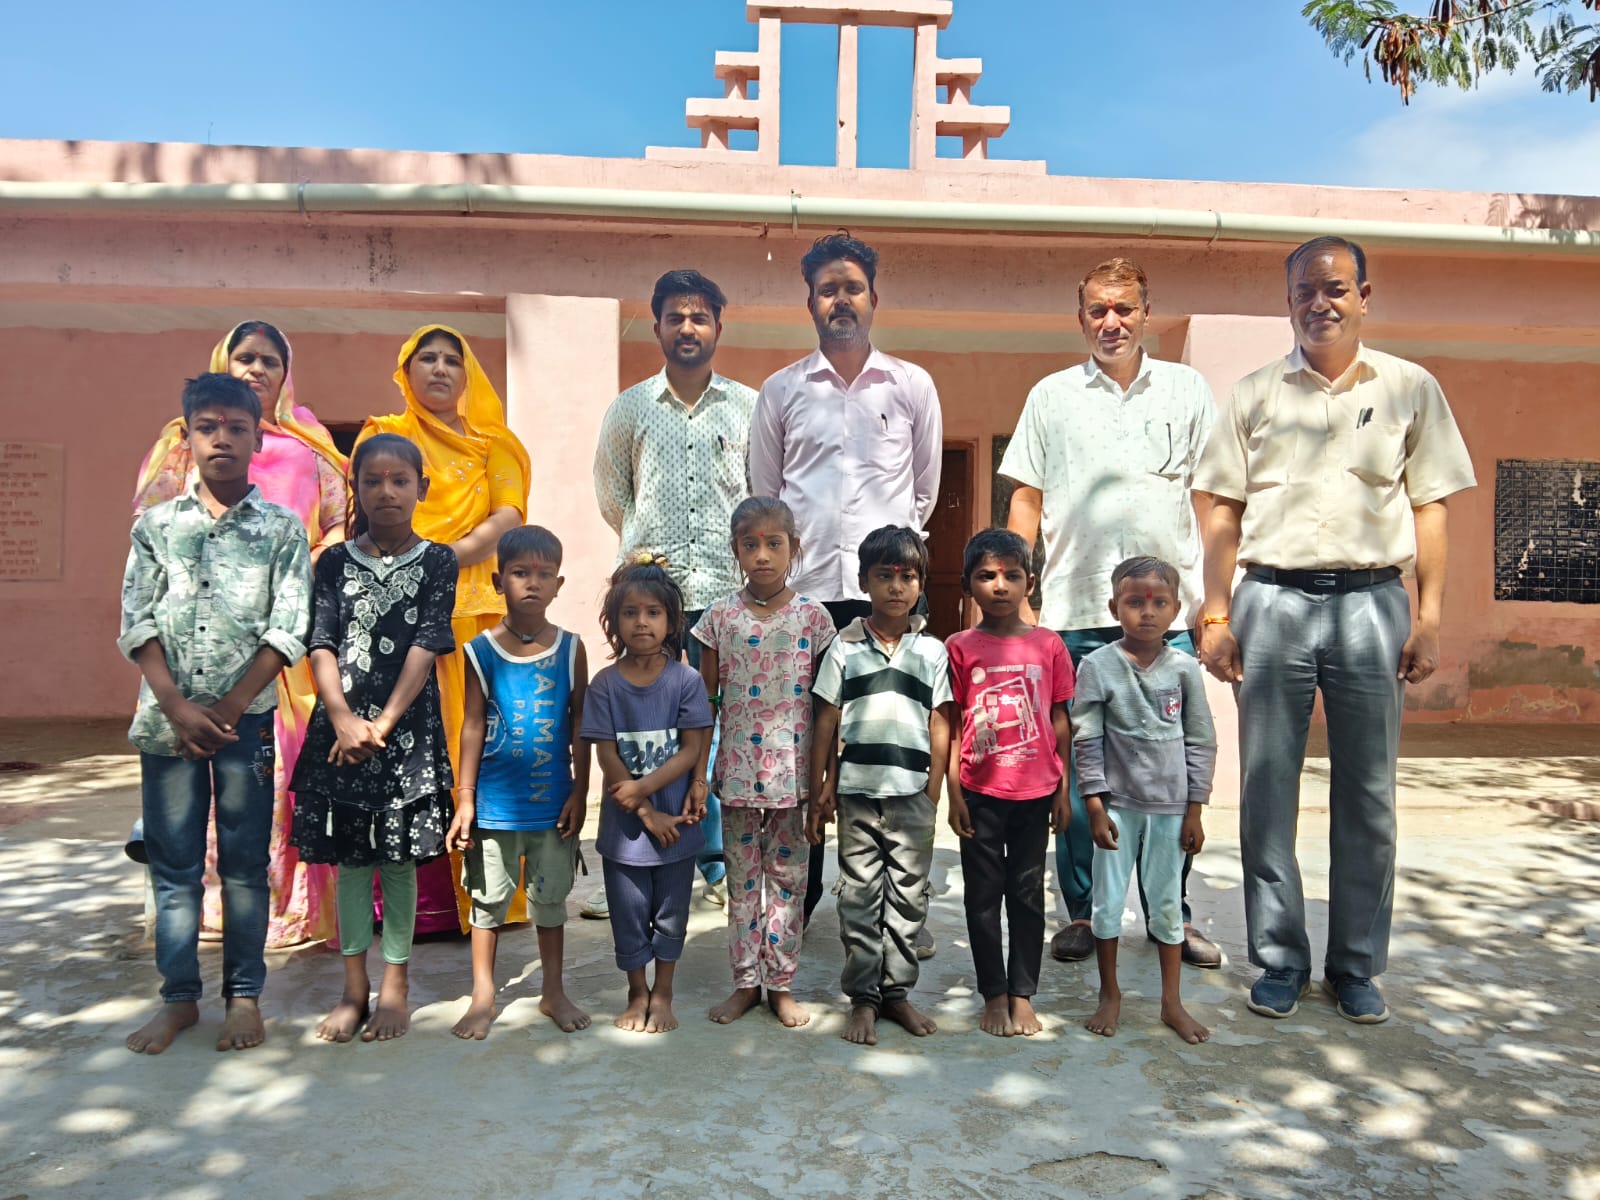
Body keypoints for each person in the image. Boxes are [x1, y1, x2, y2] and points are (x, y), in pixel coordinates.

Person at [1193, 235, 1476, 1024]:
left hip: (1372, 602)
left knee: (1369, 792)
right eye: (1305, 291)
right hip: (1271, 600)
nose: (1320, 303)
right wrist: (1216, 614)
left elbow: (1430, 507)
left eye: (1337, 288)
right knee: (1266, 787)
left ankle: (1355, 965)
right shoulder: (1256, 394)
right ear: (1288, 301)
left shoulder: (1409, 388)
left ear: (1364, 297)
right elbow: (1221, 510)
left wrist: (1429, 618)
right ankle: (1281, 959)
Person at [1000, 257, 1221, 969]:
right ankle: (1082, 912)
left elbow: (1211, 500)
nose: (1111, 322)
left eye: (1124, 308)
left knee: (1168, 772)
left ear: (1146, 313)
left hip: (1168, 617)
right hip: (1074, 609)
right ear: (1081, 318)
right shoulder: (1052, 396)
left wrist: (1215, 603)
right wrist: (1022, 599)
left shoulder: (1187, 390)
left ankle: (1170, 914)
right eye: (1098, 309)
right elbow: (1026, 497)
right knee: (1077, 766)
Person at [749, 233, 944, 950]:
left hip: (882, 597)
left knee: (888, 747)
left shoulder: (911, 386)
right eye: (827, 289)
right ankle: (795, 910)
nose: (840, 300)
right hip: (804, 602)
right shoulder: (781, 391)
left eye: (851, 288)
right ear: (810, 302)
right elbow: (766, 496)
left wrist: (889, 573)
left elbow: (923, 493)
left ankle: (898, 911)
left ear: (873, 298)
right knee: (806, 751)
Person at [134, 320, 346, 948]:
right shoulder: (181, 443)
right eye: (244, 357)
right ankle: (198, 909)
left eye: (269, 360)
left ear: (286, 373)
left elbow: (336, 525)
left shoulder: (312, 449)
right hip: (196, 642)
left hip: (283, 640)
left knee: (276, 777)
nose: (256, 369)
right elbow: (152, 528)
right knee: (191, 775)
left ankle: (283, 910)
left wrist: (295, 577)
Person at [119, 372, 312, 1054]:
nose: (222, 439)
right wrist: (175, 704)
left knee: (243, 864)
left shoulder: (281, 530)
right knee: (173, 865)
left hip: (245, 724)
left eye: (237, 427)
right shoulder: (157, 528)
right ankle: (177, 1000)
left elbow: (289, 626)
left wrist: (228, 708)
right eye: (208, 428)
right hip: (166, 724)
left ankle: (244, 998)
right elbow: (136, 621)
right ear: (187, 438)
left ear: (258, 438)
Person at [593, 269, 758, 915]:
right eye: (675, 317)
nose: (687, 328)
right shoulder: (629, 408)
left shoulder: (748, 407)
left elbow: (762, 493)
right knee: (645, 727)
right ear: (658, 326)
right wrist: (646, 563)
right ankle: (642, 849)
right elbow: (614, 496)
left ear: (718, 325)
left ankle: (711, 858)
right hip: (650, 600)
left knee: (714, 724)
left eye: (699, 317)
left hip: (723, 594)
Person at [357, 326, 531, 935]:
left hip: (474, 617)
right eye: (425, 358)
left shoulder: (494, 443)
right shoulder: (385, 435)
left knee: (475, 748)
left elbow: (508, 516)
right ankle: (413, 906)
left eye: (451, 360)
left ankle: (488, 896)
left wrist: (439, 559)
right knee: (402, 753)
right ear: (405, 371)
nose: (438, 369)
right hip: (394, 614)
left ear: (468, 373)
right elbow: (370, 510)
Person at [290, 433, 459, 1044]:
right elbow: (321, 642)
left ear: (422, 488)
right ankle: (353, 988)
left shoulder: (438, 561)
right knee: (352, 862)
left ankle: (395, 987)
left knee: (398, 860)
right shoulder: (334, 562)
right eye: (372, 481)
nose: (386, 492)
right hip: (339, 733)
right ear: (355, 488)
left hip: (405, 736)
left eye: (400, 480)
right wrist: (340, 717)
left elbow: (427, 642)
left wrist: (382, 724)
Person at [692, 497, 835, 1028]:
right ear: (735, 550)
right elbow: (704, 704)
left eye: (774, 544)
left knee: (789, 883)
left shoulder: (814, 619)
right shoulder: (718, 618)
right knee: (742, 884)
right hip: (736, 775)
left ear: (794, 548)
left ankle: (781, 984)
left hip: (794, 779)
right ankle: (745, 983)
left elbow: (828, 707)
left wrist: (826, 779)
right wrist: (698, 774)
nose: (762, 555)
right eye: (750, 544)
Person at [446, 525, 592, 1040]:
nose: (533, 582)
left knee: (550, 902)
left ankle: (553, 991)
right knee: (487, 903)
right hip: (494, 805)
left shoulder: (571, 649)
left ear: (559, 584)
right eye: (520, 572)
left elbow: (580, 723)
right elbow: (471, 725)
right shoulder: (480, 651)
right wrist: (465, 798)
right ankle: (483, 995)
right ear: (497, 581)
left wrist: (581, 791)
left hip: (553, 805)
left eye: (544, 574)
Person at [809, 526, 952, 1046]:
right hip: (857, 795)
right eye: (884, 576)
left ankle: (897, 994)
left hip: (912, 795)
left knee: (909, 900)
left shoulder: (931, 651)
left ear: (920, 585)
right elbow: (827, 718)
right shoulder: (844, 647)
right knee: (859, 899)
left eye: (907, 576)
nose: (896, 586)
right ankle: (863, 1000)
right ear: (864, 581)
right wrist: (823, 785)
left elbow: (940, 720)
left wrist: (933, 789)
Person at [1075, 557, 1215, 1045]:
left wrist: (1195, 809)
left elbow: (1200, 740)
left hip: (1170, 810)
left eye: (1159, 603)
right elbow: (1087, 738)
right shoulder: (1097, 666)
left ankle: (1171, 1002)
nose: (1147, 612)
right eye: (1135, 602)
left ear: (1176, 609)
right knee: (1108, 903)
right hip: (1117, 807)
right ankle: (1109, 994)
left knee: (1166, 905)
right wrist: (1095, 805)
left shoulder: (1184, 669)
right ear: (1114, 607)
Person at [945, 529, 1075, 1038]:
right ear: (967, 586)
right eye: (986, 576)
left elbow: (1060, 719)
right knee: (982, 898)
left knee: (1027, 895)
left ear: (1030, 583)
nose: (999, 586)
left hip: (1036, 793)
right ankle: (993, 994)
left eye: (1011, 576)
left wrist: (1063, 789)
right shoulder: (958, 648)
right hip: (979, 793)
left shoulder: (1049, 645)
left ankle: (1022, 993)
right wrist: (954, 792)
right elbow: (952, 723)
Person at [580, 554, 715, 1034]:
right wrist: (644, 810)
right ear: (614, 621)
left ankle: (664, 993)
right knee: (629, 914)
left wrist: (644, 789)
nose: (642, 622)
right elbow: (606, 754)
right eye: (630, 612)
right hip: (627, 831)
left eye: (653, 612)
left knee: (672, 914)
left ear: (672, 622)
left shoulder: (686, 681)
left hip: (677, 825)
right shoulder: (604, 685)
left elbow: (691, 749)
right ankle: (637, 992)